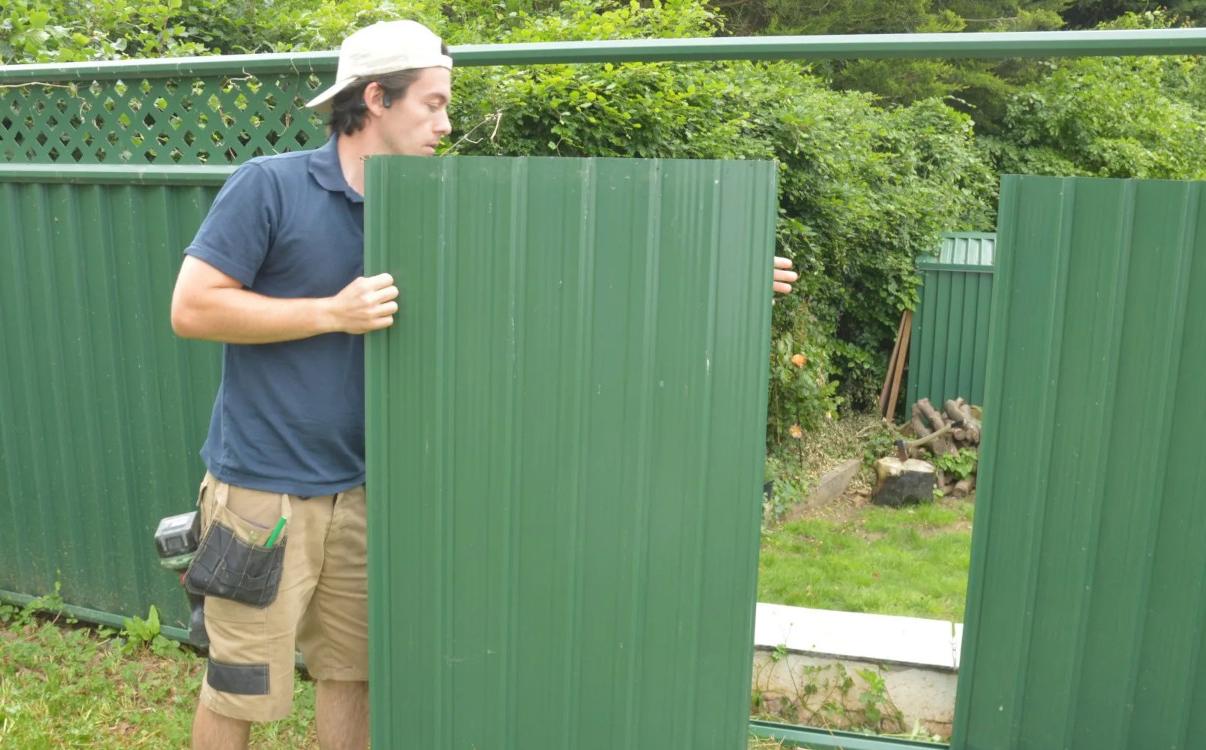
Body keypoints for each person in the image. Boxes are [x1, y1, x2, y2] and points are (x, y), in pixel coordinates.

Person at [170, 19, 798, 750]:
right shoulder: (271, 187)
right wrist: (330, 313)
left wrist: (724, 271)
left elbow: (568, 278)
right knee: (240, 687)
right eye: (432, 103)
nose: (446, 123)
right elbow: (193, 307)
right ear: (375, 97)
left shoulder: (437, 205)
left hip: (373, 493)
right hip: (264, 494)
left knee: (357, 677)